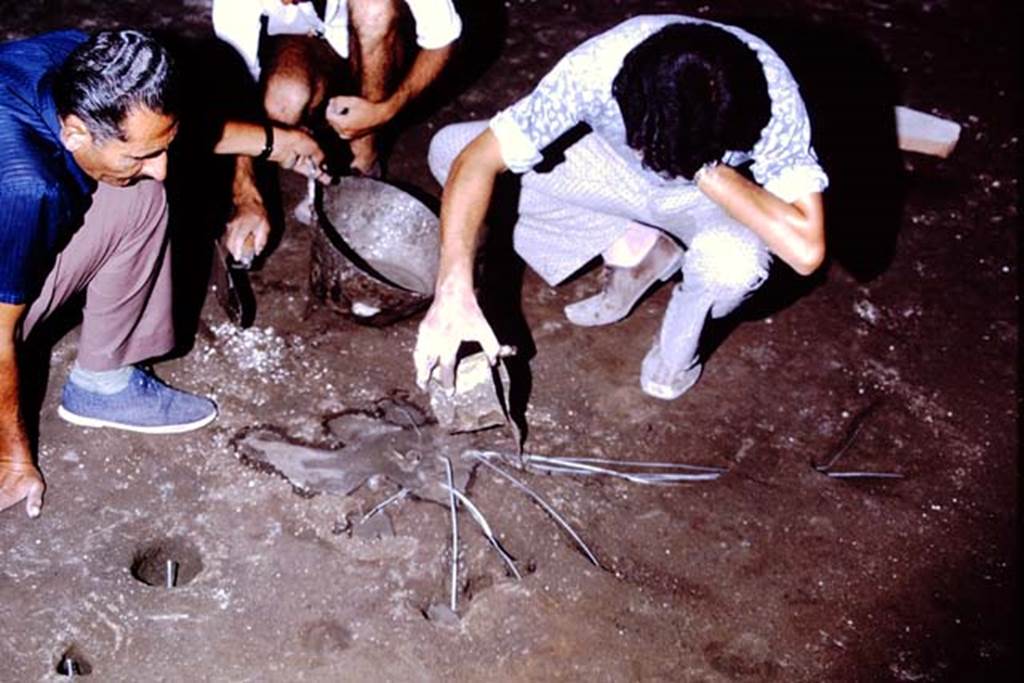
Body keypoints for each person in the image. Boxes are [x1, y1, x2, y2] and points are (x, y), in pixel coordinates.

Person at [0, 29, 326, 519]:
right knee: (139, 194)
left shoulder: (81, 62)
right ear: (73, 134)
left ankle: (102, 383)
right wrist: (11, 455)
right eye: (140, 157)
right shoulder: (27, 188)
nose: (162, 168)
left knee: (140, 190)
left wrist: (273, 141)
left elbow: (157, 129)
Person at [414, 16, 828, 400]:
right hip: (612, 170)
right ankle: (633, 246)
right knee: (451, 152)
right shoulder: (600, 66)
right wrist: (453, 288)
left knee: (735, 266)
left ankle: (675, 355)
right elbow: (476, 162)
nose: (646, 151)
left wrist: (701, 167)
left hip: (705, 197)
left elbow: (806, 251)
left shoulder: (771, 94)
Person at [212, 0, 463, 263]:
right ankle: (320, 133)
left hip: (391, 45)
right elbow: (234, 89)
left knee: (374, 8)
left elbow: (443, 38)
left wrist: (386, 111)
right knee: (283, 99)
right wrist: (246, 195)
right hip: (313, 44)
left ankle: (363, 164)